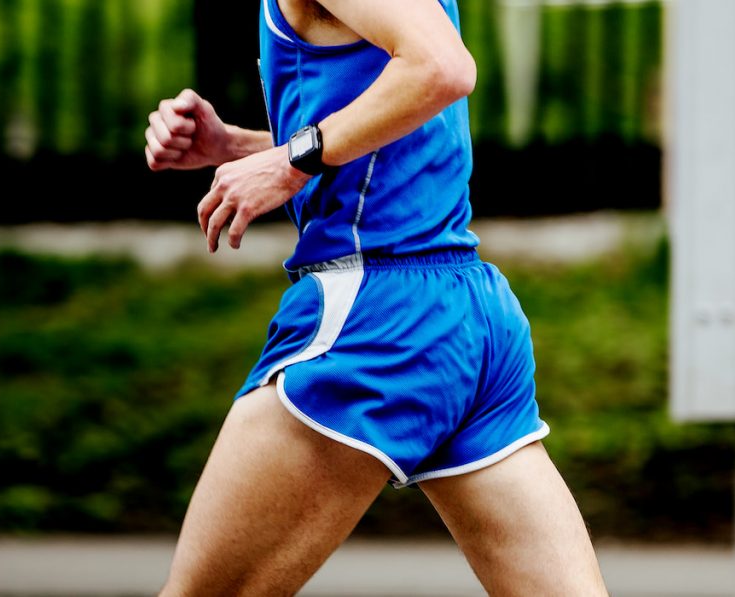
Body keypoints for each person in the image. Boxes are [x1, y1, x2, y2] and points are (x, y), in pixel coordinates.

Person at [144, 0, 609, 594]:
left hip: (377, 322)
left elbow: (441, 69)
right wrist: (242, 147)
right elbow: (393, 124)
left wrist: (290, 159)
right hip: (467, 316)